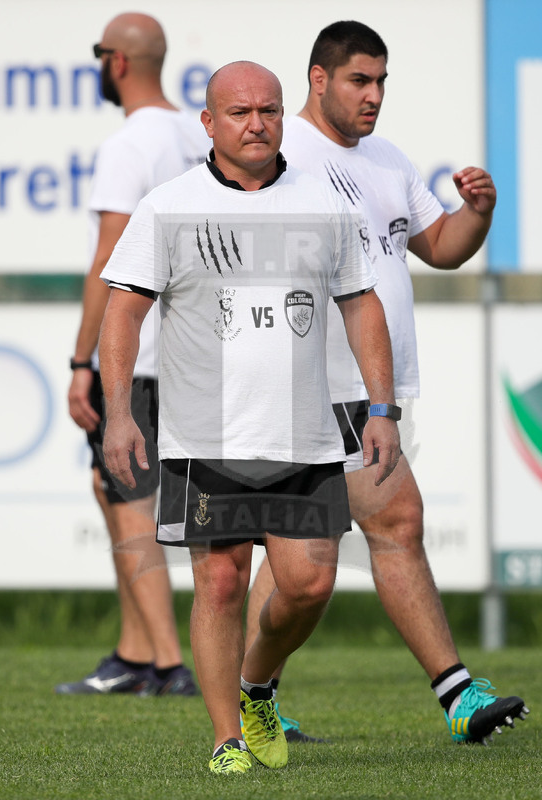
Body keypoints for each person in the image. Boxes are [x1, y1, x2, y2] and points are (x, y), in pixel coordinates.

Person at [98, 60, 401, 773]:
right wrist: (118, 411)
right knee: (223, 582)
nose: (257, 123)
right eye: (239, 113)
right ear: (209, 123)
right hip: (206, 434)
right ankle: (226, 739)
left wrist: (381, 408)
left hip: (307, 434)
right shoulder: (168, 205)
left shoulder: (325, 200)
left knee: (308, 585)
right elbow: (124, 312)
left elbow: (362, 305)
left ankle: (255, 684)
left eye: (268, 110)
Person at [245, 19, 529, 746]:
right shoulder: (283, 157)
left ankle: (252, 699)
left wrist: (480, 213)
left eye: (381, 82)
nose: (373, 96)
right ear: (318, 80)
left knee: (312, 560)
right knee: (363, 539)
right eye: (358, 81)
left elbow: (440, 248)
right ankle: (455, 693)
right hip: (312, 388)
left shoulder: (387, 158)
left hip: (371, 393)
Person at [56, 12, 208, 696]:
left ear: (116, 62)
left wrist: (81, 360)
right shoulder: (196, 133)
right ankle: (133, 653)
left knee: (127, 501)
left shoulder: (130, 143)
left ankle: (170, 664)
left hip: (139, 350)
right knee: (111, 488)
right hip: (196, 346)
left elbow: (108, 262)